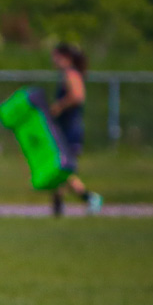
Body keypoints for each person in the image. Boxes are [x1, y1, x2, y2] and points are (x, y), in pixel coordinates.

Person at [48, 42, 103, 217]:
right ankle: (57, 207)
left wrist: (59, 106)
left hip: (70, 129)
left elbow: (78, 96)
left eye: (56, 55)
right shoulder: (67, 74)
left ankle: (90, 198)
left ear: (65, 57)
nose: (53, 59)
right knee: (57, 169)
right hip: (63, 129)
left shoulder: (71, 74)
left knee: (63, 170)